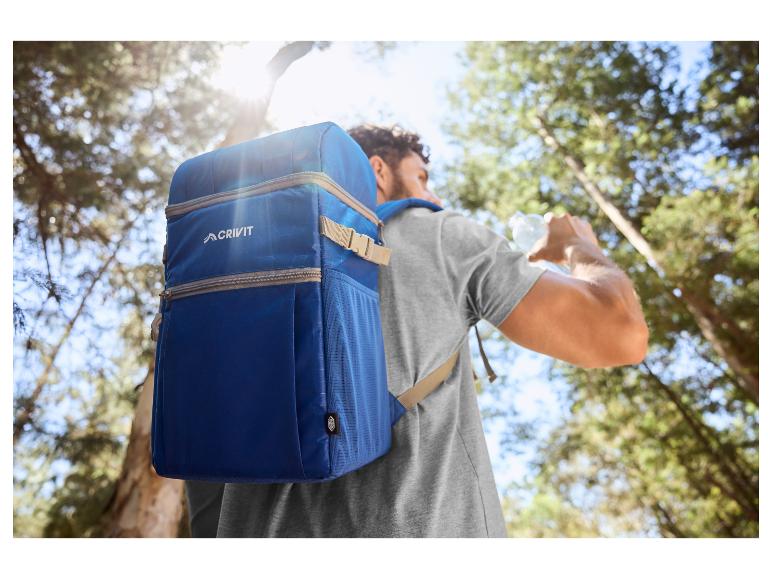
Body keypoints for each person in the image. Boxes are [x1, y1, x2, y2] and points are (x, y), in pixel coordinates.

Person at [184, 124, 649, 538]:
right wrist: (579, 247)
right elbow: (619, 333)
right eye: (423, 178)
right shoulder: (433, 232)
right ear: (377, 170)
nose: (436, 199)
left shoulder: (230, 285)